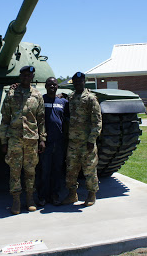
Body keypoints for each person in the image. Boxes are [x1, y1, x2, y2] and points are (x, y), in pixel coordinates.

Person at [0, 66, 46, 215]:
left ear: (32, 77)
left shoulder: (37, 95)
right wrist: (3, 141)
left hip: (31, 139)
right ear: (20, 77)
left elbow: (41, 120)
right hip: (14, 139)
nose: (26, 77)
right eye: (24, 75)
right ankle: (16, 200)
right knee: (15, 170)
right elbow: (5, 118)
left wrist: (42, 139)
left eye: (29, 75)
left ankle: (30, 198)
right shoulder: (11, 93)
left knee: (30, 170)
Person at [61, 71, 102, 207]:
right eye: (76, 82)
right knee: (71, 170)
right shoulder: (71, 97)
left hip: (86, 142)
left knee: (89, 170)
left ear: (84, 82)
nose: (78, 83)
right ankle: (72, 194)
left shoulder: (91, 98)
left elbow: (97, 121)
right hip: (73, 142)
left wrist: (92, 139)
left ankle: (92, 194)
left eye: (80, 81)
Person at [37, 77, 69, 206]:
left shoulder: (63, 101)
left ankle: (55, 194)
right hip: (45, 142)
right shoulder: (41, 100)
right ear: (45, 86)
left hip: (59, 142)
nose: (52, 86)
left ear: (57, 86)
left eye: (54, 84)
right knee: (44, 171)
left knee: (57, 170)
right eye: (50, 84)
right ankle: (42, 196)